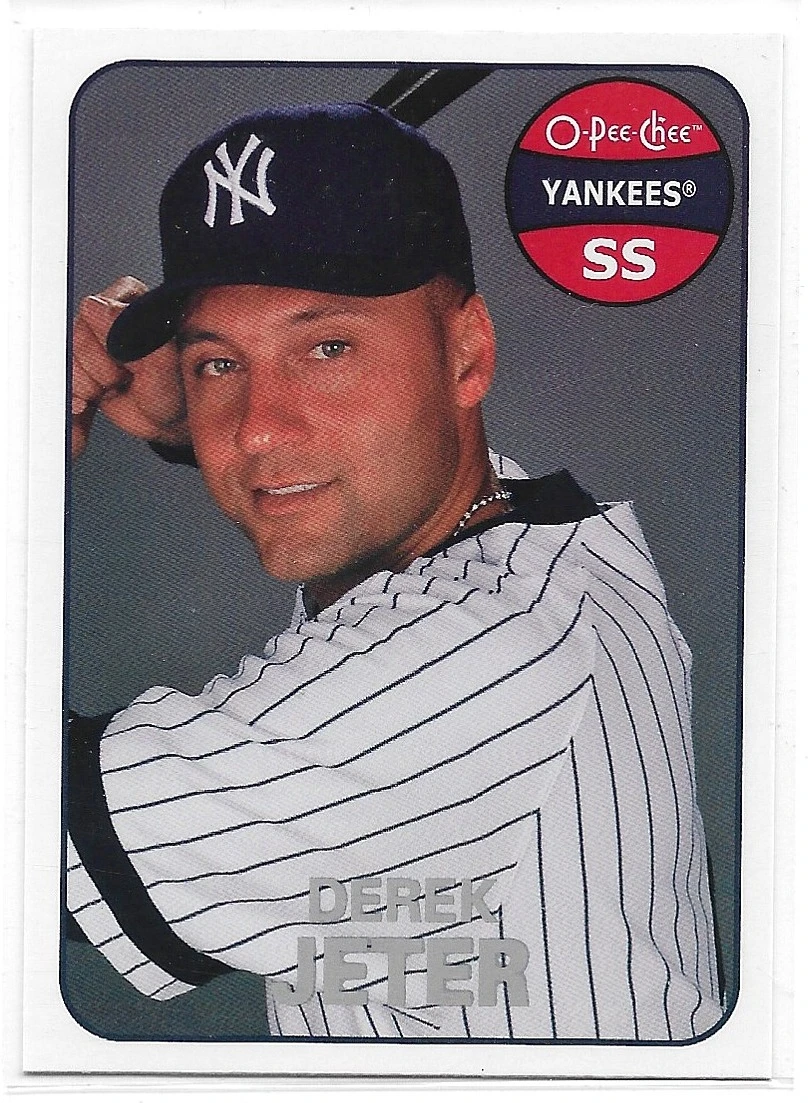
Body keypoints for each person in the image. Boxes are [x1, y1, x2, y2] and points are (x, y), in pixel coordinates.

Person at [67, 102, 723, 1041]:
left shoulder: (485, 650)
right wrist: (203, 429)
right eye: (219, 365)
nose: (259, 429)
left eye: (328, 347)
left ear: (467, 354)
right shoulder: (520, 540)